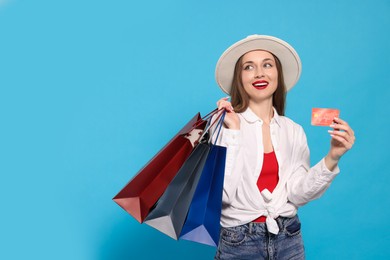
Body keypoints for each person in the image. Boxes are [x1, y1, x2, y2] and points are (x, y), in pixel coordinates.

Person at [212, 35, 355, 259]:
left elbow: (297, 195)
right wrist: (233, 132)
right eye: (249, 67)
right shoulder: (225, 124)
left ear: (278, 73)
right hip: (239, 242)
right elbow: (223, 195)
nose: (259, 73)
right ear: (239, 78)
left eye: (267, 64)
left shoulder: (293, 130)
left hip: (289, 236)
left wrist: (333, 157)